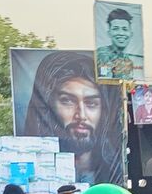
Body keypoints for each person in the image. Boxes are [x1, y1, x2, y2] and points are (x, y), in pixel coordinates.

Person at [22, 50, 125, 184]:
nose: (81, 115)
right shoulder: (36, 174)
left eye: (91, 103)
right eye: (68, 101)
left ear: (104, 110)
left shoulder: (114, 177)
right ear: (47, 106)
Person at [96, 7, 141, 81]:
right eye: (116, 29)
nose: (121, 33)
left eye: (125, 29)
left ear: (131, 34)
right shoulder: (103, 53)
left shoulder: (127, 60)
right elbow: (106, 81)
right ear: (109, 33)